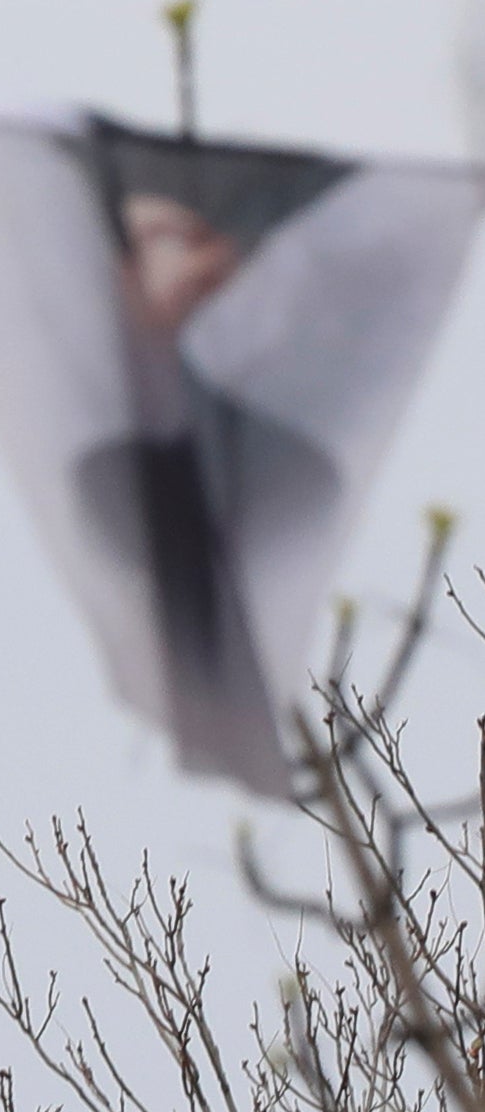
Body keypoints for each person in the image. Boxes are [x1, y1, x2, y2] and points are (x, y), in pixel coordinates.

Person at [76, 120, 349, 793]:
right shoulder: (113, 473)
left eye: (200, 244)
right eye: (162, 246)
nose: (193, 276)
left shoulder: (295, 458)